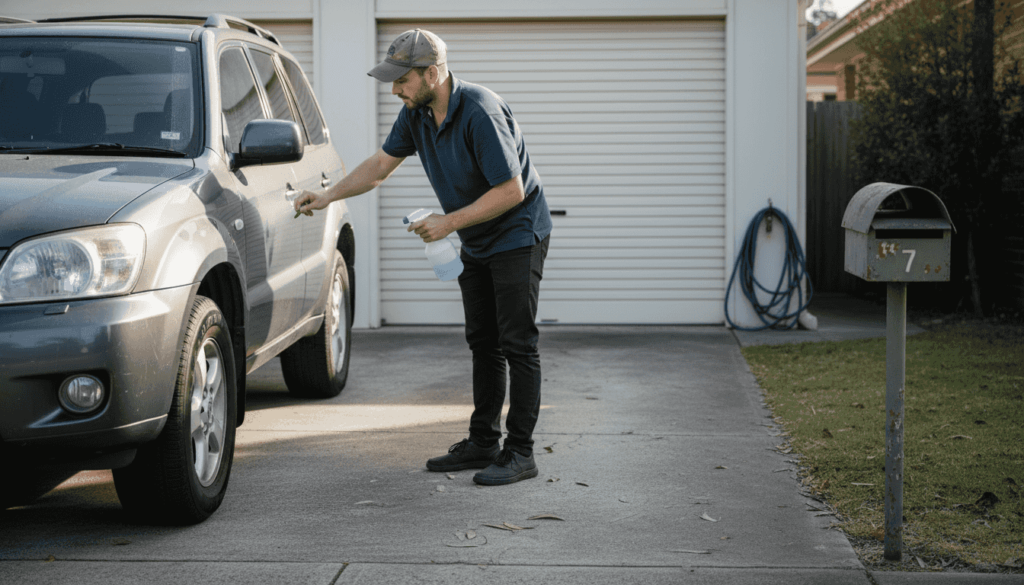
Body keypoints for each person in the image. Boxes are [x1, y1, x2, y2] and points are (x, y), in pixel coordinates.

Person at [294, 29, 552, 486]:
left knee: (517, 343)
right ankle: (483, 442)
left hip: (516, 233)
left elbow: (511, 190)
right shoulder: (415, 114)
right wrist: (328, 195)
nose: (393, 89)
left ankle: (521, 453)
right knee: (483, 342)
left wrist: (448, 221)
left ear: (432, 73)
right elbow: (379, 166)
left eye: (402, 80)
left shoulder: (479, 111)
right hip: (476, 237)